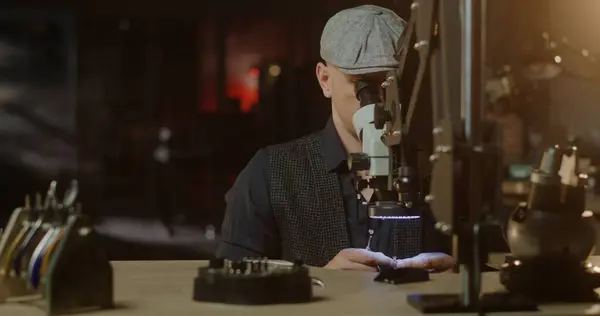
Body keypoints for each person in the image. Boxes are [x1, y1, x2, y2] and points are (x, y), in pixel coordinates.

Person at [217, 5, 454, 272]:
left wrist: (459, 277)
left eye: (394, 83)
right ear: (325, 79)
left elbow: (497, 273)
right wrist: (318, 282)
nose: (385, 101)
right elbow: (232, 280)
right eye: (365, 85)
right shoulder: (271, 173)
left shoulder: (446, 171)